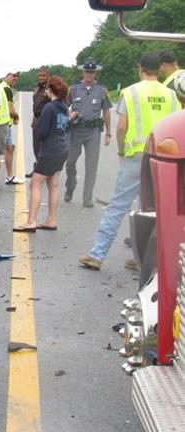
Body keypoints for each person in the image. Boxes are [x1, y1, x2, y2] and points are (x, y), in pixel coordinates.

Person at [79, 52, 181, 270]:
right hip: (163, 157)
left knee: (118, 206)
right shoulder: (171, 95)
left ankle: (97, 254)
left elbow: (122, 126)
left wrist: (121, 149)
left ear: (140, 68)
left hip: (136, 155)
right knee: (152, 209)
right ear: (159, 69)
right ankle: (144, 258)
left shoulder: (131, 92)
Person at [13, 76, 70, 232]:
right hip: (62, 148)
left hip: (50, 150)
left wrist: (38, 131)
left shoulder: (49, 108)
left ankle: (31, 221)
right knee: (53, 185)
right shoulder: (64, 107)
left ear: (50, 91)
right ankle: (52, 219)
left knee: (35, 184)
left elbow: (42, 131)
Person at [64, 58, 112, 208]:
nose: (89, 75)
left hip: (93, 132)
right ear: (83, 72)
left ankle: (87, 198)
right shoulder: (74, 89)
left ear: (95, 73)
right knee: (70, 162)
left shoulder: (102, 91)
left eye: (92, 72)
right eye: (87, 72)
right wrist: (68, 114)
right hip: (76, 130)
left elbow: (106, 112)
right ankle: (70, 186)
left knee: (92, 166)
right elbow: (63, 106)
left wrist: (108, 133)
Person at [1, 72, 24, 185]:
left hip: (5, 124)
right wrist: (16, 116)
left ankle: (10, 176)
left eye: (17, 76)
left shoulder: (5, 87)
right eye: (13, 75)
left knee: (10, 148)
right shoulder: (6, 89)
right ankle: (1, 178)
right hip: (3, 123)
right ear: (6, 75)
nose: (15, 78)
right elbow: (10, 110)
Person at [29, 67, 51, 177]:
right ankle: (38, 169)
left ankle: (46, 170)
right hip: (37, 119)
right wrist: (33, 120)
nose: (41, 77)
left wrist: (50, 96)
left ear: (48, 76)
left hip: (46, 120)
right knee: (36, 146)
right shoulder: (37, 88)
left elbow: (58, 102)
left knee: (45, 146)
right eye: (40, 75)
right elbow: (36, 106)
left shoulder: (51, 88)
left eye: (43, 75)